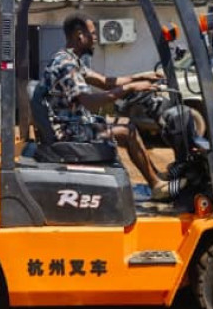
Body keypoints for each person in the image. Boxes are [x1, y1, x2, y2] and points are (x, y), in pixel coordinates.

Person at [42, 13, 171, 200]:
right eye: (93, 34)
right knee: (126, 131)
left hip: (75, 123)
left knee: (126, 123)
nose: (96, 38)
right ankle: (156, 185)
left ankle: (155, 176)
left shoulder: (71, 60)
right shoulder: (66, 65)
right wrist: (130, 88)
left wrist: (143, 76)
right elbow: (90, 102)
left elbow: (106, 82)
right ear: (80, 34)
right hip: (70, 131)